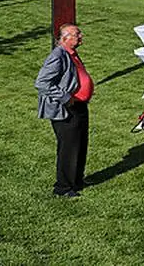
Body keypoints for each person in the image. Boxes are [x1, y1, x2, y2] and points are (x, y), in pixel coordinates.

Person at [35, 24, 93, 198]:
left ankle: (77, 181)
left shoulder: (72, 53)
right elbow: (42, 83)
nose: (81, 36)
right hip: (66, 109)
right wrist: (66, 98)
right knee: (69, 148)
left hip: (79, 106)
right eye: (77, 34)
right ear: (65, 37)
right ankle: (63, 187)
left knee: (81, 144)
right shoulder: (57, 55)